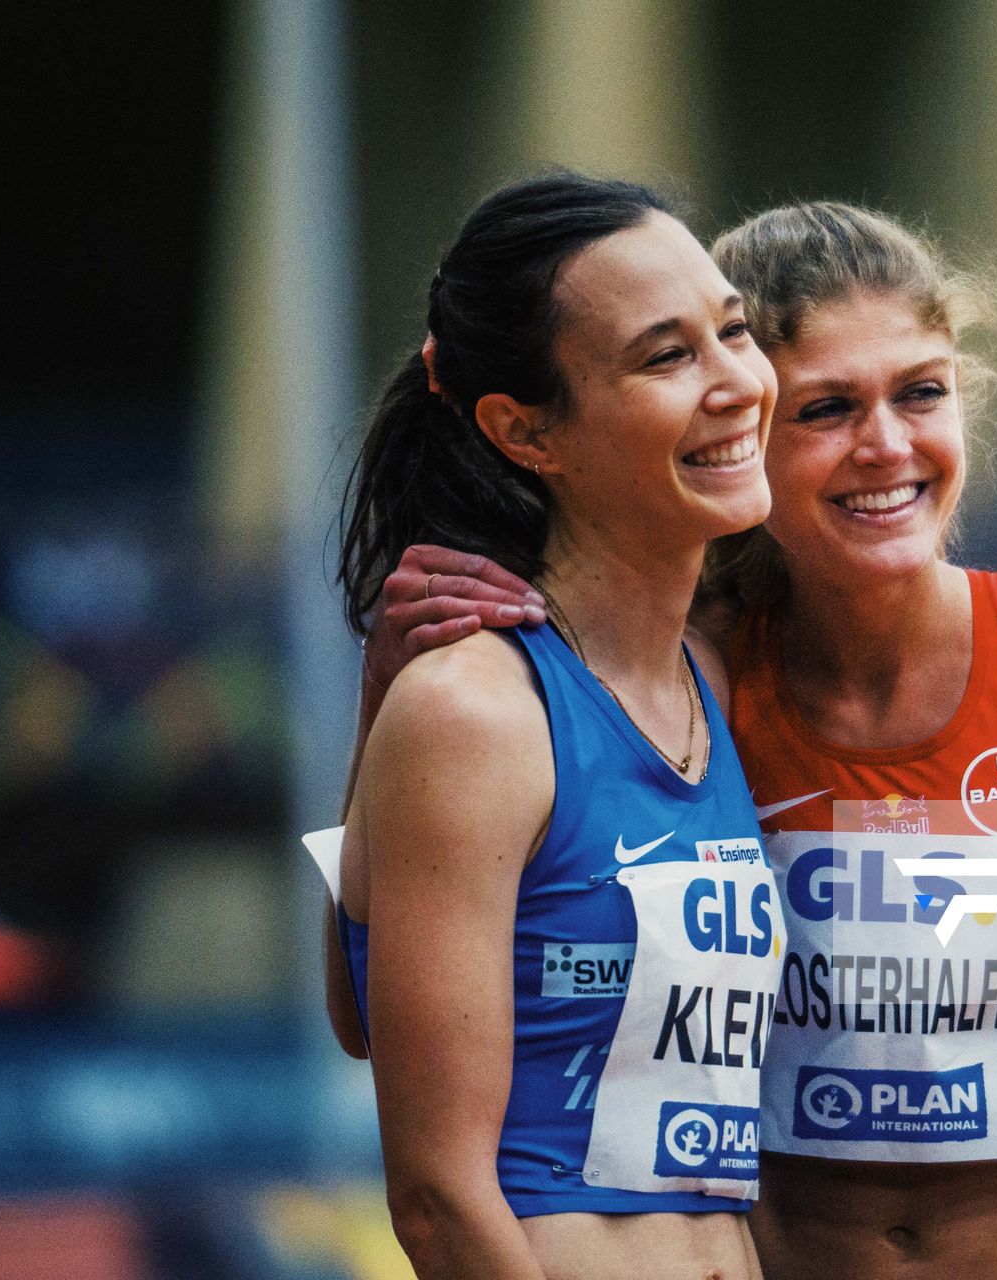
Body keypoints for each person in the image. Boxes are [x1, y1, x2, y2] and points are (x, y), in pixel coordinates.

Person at [363, 201, 997, 1279]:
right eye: (827, 408)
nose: (886, 445)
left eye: (921, 391)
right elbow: (380, 1004)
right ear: (754, 430)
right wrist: (389, 704)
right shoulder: (685, 676)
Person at [324, 171, 784, 1280]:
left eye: (732, 330)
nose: (735, 382)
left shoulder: (711, 675)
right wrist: (390, 716)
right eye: (666, 355)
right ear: (526, 431)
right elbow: (436, 1196)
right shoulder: (478, 707)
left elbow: (361, 997)